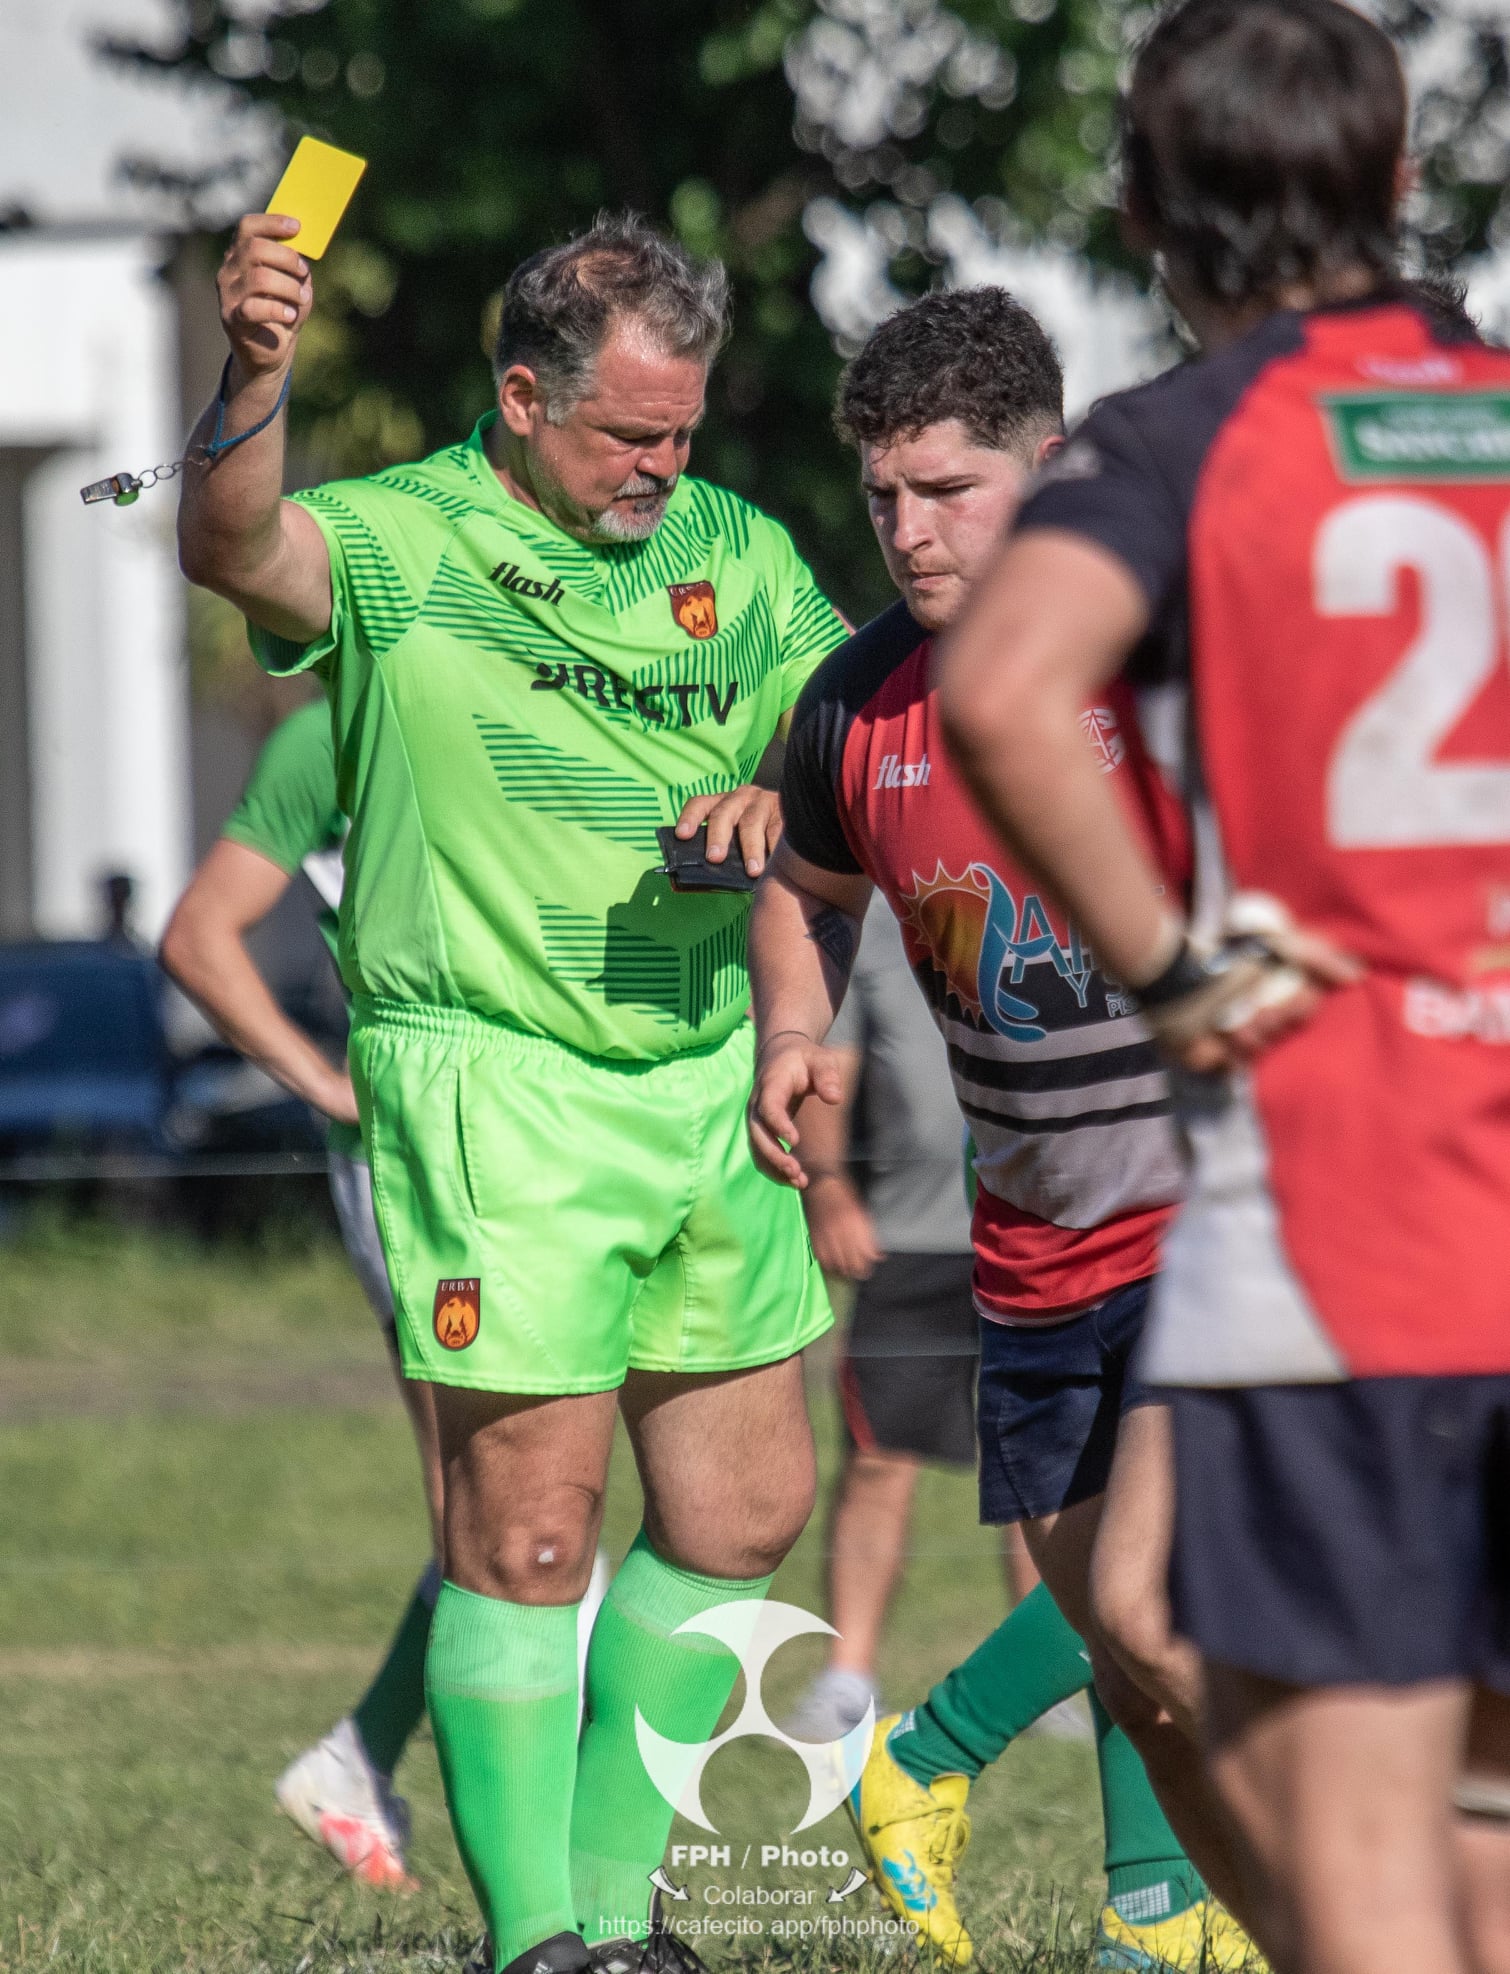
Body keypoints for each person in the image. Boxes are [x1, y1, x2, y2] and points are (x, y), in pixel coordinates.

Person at [177, 210, 846, 1974]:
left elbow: (836, 732)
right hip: (493, 1081)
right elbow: (231, 537)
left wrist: (791, 804)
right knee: (533, 1529)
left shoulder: (742, 552)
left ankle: (626, 1926)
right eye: (630, 432)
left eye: (685, 430)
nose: (664, 466)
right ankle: (546, 1936)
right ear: (523, 391)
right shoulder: (403, 539)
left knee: (743, 1510)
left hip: (702, 1077)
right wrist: (254, 369)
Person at [935, 5, 1510, 1972]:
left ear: (1143, 207)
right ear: (1399, 180)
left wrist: (1177, 978)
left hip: (1342, 1235)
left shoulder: (1186, 440)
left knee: (1360, 1883)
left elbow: (1000, 689)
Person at [747, 287, 1255, 1970]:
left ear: (1047, 467)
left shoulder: (1161, 655)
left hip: (1211, 1219)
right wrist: (797, 1034)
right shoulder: (853, 703)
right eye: (885, 494)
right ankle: (1153, 1915)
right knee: (1131, 1646)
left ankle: (933, 1753)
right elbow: (805, 893)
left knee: (1155, 1596)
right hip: (1029, 1250)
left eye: (949, 488)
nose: (909, 528)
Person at [161, 700, 609, 1889]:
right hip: (417, 1163)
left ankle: (362, 1759)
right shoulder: (328, 736)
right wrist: (326, 1081)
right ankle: (540, 1878)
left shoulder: (551, 689)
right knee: (490, 1506)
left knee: (540, 1507)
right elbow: (200, 935)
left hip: (561, 1137)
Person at [787, 894, 1050, 1745]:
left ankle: (1045, 1682)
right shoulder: (870, 926)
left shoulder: (1044, 909)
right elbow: (835, 1063)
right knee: (877, 1461)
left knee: (1036, 1472)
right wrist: (827, 1186)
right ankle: (847, 1678)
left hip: (1035, 1233)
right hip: (908, 1239)